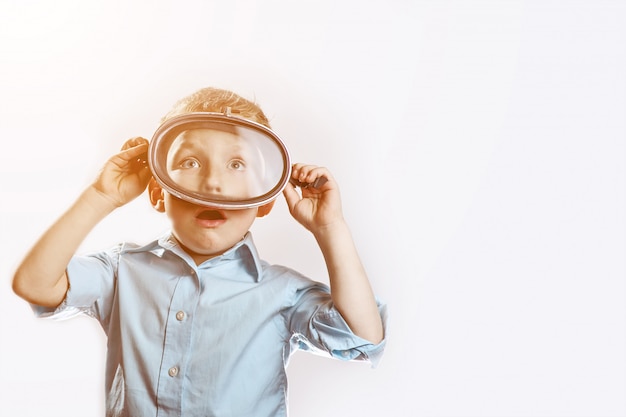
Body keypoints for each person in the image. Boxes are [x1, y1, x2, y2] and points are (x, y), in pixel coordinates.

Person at [11, 87, 387, 417]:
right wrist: (101, 197)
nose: (212, 181)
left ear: (265, 199)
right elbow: (34, 283)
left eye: (237, 164)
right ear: (159, 191)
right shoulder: (120, 271)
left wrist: (329, 228)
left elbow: (362, 338)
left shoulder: (282, 292)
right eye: (190, 162)